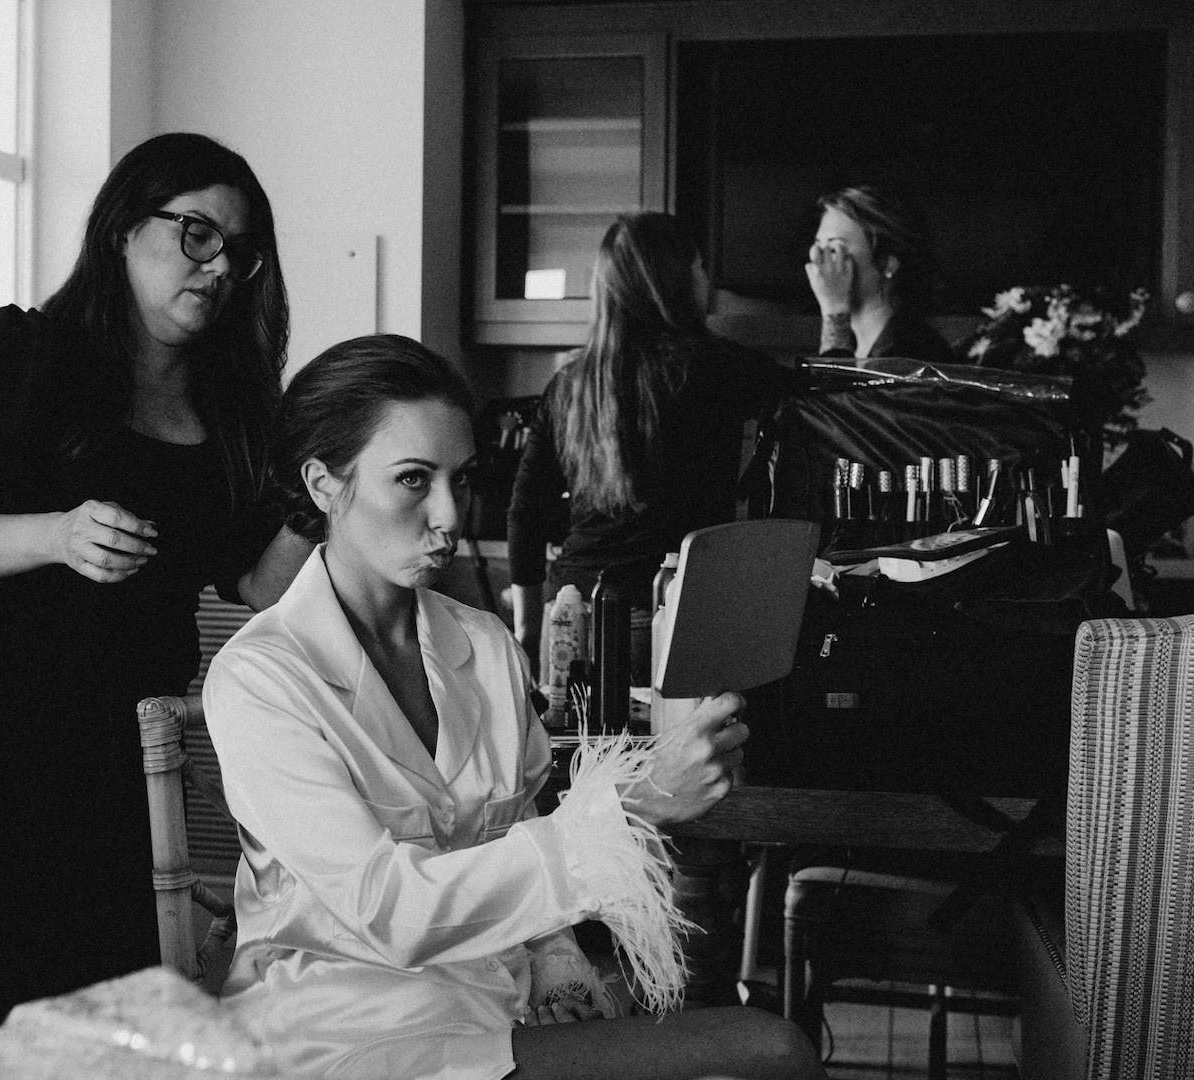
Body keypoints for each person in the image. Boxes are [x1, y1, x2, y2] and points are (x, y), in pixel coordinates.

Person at [205, 334, 826, 1080]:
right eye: (412, 479)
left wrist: (559, 964)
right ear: (322, 484)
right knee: (771, 1048)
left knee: (766, 1046)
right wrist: (629, 808)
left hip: (489, 1009)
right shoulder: (260, 678)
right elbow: (388, 912)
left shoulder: (485, 645)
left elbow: (518, 833)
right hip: (338, 1033)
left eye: (461, 479)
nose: (449, 515)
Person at [0, 132, 311, 1047]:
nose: (219, 267)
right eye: (197, 232)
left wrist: (319, 505)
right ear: (121, 229)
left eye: (239, 251)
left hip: (128, 775)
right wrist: (54, 535)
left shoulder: (233, 413)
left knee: (112, 1035)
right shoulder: (18, 355)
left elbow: (258, 586)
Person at [506, 212, 798, 669]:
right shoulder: (720, 369)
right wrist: (837, 315)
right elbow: (821, 398)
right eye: (699, 267)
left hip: (569, 615)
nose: (707, 281)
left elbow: (526, 513)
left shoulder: (570, 385)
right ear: (678, 281)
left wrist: (527, 628)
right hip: (665, 614)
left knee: (574, 722)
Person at [803, 184, 958, 366]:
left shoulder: (914, 352)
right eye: (818, 245)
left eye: (834, 249)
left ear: (887, 264)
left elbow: (835, 385)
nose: (817, 259)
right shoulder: (854, 345)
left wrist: (835, 313)